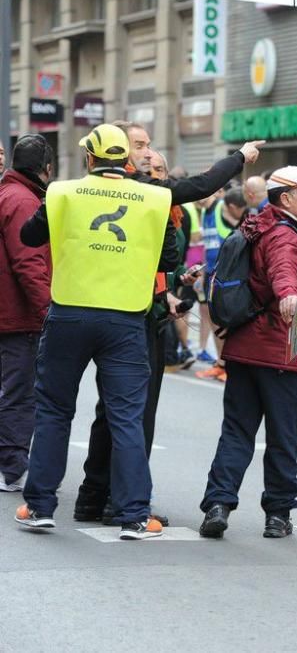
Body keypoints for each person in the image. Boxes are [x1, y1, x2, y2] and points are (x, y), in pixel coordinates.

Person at [16, 124, 176, 540]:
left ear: (89, 157)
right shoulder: (157, 198)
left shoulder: (63, 192)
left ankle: (39, 507)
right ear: (125, 160)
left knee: (54, 410)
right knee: (126, 417)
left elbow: (29, 236)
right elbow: (170, 256)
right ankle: (135, 515)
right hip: (125, 319)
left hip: (69, 313)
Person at [198, 166, 297, 540]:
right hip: (282, 349)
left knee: (236, 432)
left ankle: (218, 504)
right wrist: (288, 294)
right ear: (287, 198)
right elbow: (283, 269)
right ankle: (278, 512)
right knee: (283, 436)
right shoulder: (285, 233)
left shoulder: (256, 225)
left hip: (244, 348)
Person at [73, 148, 188, 526]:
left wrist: (173, 286)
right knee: (123, 415)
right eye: (147, 168)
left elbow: (165, 265)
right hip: (125, 318)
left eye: (160, 170)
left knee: (127, 415)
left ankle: (103, 497)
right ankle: (115, 501)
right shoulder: (145, 207)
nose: (154, 175)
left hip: (148, 315)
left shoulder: (174, 213)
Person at [0, 135, 54, 492]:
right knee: (21, 394)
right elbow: (28, 261)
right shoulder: (22, 200)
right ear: (45, 169)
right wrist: (47, 311)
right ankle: (13, 468)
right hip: (19, 315)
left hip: (11, 311)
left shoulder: (9, 193)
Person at [195, 187, 249, 382]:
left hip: (225, 276)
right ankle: (220, 363)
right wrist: (201, 272)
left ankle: (229, 365)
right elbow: (206, 245)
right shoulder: (204, 211)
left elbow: (241, 228)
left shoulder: (222, 208)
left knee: (225, 323)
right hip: (209, 273)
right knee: (214, 321)